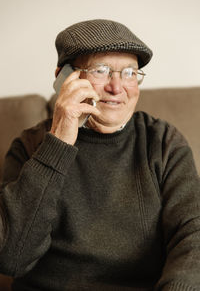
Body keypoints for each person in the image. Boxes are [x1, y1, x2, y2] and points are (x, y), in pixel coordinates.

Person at [0, 19, 200, 291]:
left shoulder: (164, 142)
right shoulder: (29, 146)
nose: (117, 87)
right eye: (101, 70)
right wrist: (59, 142)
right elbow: (12, 258)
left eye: (130, 72)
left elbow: (192, 236)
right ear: (64, 77)